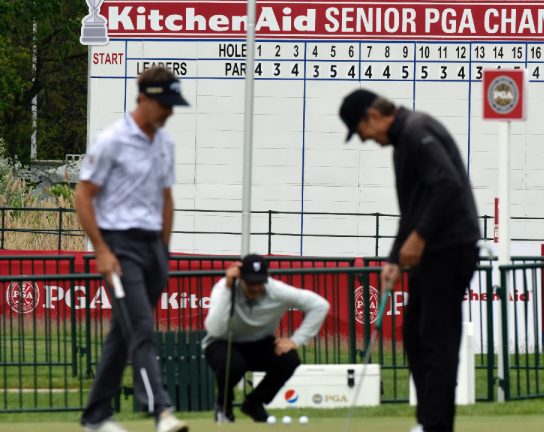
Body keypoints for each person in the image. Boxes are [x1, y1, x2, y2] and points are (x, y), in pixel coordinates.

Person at [339, 89, 480, 432]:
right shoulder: (405, 141)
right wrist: (392, 259)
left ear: (373, 116)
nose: (366, 140)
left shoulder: (418, 131)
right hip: (432, 250)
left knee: (436, 338)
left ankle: (436, 425)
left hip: (450, 247)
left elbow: (448, 186)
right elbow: (412, 212)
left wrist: (419, 238)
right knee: (415, 333)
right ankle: (427, 421)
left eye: (362, 132)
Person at [75, 66, 189, 432]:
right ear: (144, 98)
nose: (170, 112)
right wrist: (102, 251)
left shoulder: (166, 143)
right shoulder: (111, 140)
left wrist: (164, 251)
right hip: (118, 247)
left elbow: (166, 198)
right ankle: (162, 411)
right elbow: (83, 196)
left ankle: (95, 416)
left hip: (152, 246)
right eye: (165, 104)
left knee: (123, 333)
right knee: (141, 328)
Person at [202, 254, 330, 423]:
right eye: (250, 282)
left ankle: (254, 403)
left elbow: (320, 305)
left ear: (266, 278)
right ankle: (224, 406)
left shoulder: (277, 290)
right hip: (222, 341)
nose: (255, 287)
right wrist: (228, 289)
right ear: (240, 277)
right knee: (233, 365)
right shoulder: (224, 288)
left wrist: (295, 340)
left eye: (259, 282)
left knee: (289, 359)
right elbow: (215, 329)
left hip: (259, 343)